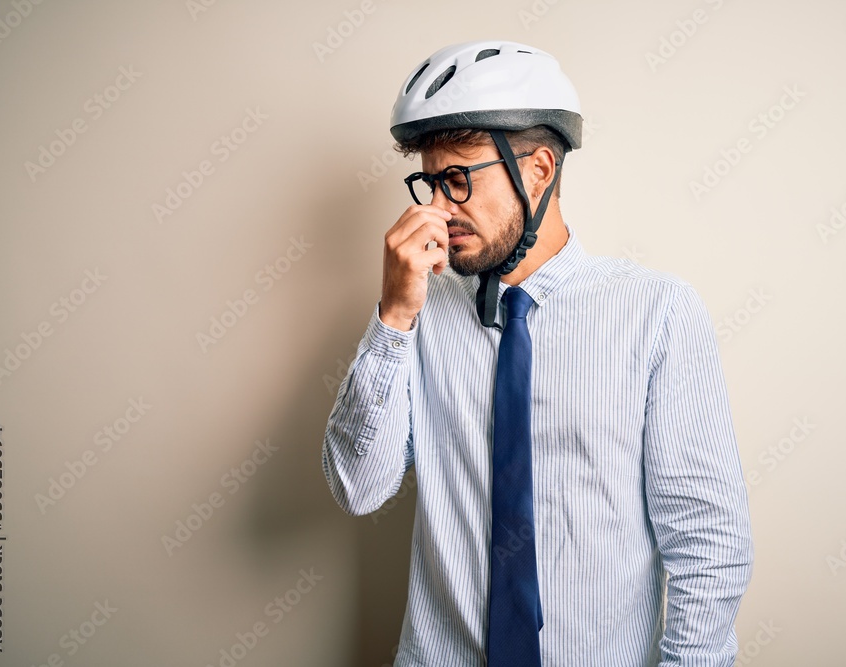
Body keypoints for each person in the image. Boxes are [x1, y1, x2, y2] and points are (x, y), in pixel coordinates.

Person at [322, 40, 754, 666]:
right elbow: (357, 488)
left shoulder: (657, 312)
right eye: (429, 183)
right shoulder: (418, 310)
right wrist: (394, 318)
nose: (437, 210)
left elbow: (706, 540)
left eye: (458, 180)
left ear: (539, 170)